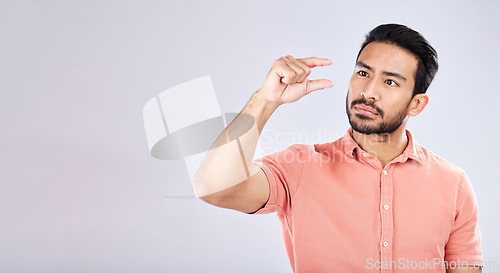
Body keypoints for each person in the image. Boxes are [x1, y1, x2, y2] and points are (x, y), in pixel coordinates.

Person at [193, 24, 483, 272]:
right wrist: (266, 100)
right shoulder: (301, 166)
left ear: (416, 104)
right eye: (363, 73)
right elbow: (215, 188)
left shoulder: (453, 184)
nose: (368, 92)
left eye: (390, 81)